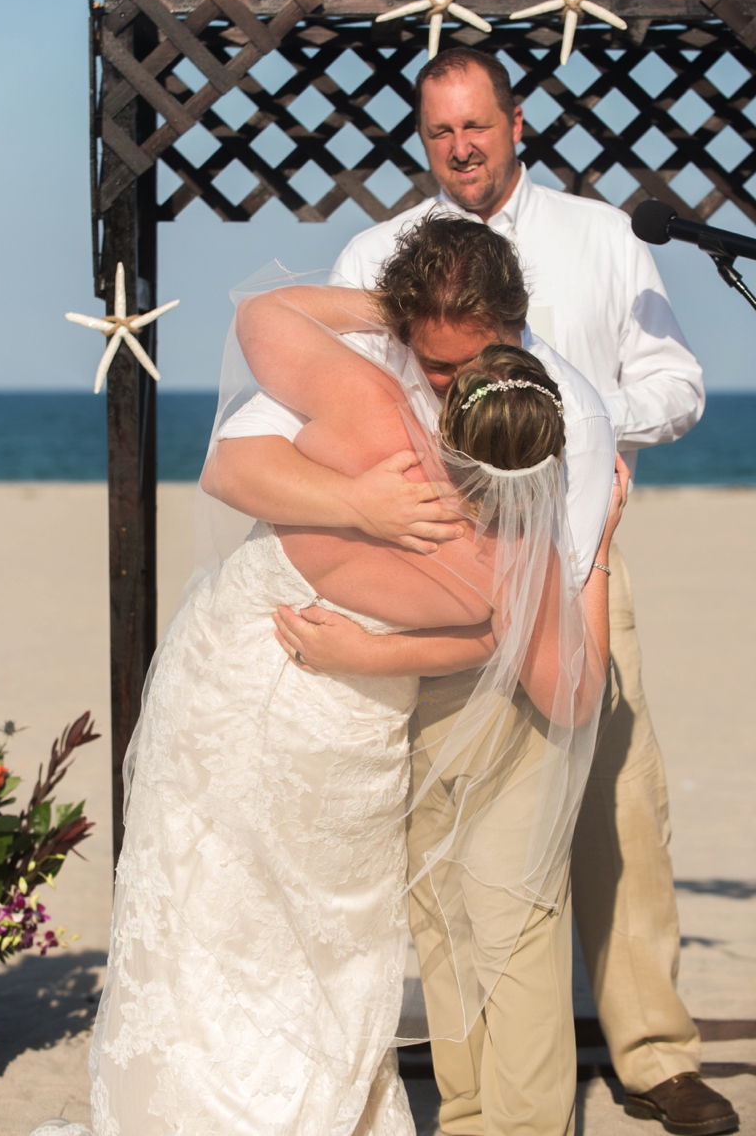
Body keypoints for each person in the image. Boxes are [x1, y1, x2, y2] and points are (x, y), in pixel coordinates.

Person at [272, 48, 736, 1136]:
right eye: (440, 134)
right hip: (435, 572)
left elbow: (675, 380)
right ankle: (475, 1079)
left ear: (514, 122)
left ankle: (654, 1056)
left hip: (574, 555)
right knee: (449, 838)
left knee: (618, 807)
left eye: (477, 126)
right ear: (422, 141)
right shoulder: (377, 251)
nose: (461, 147)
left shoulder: (601, 235)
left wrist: (565, 429)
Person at [88, 264, 622, 1135]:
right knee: (323, 932)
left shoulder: (368, 406)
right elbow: (546, 673)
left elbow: (260, 314)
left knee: (208, 901)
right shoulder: (507, 562)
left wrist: (396, 320)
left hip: (242, 668)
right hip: (346, 717)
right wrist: (592, 549)